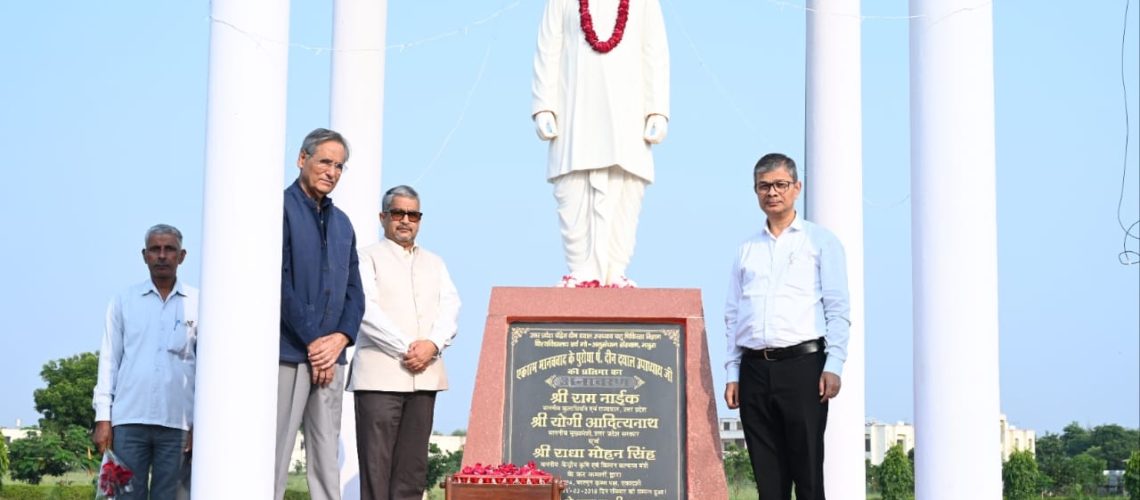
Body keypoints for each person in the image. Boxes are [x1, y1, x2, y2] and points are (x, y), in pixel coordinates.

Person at [723, 153, 851, 500]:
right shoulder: (747, 250)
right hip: (753, 369)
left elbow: (838, 308)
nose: (772, 192)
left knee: (807, 472)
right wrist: (733, 372)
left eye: (780, 185)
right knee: (768, 477)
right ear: (755, 191)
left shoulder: (820, 242)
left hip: (803, 367)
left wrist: (834, 364)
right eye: (764, 186)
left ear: (797, 188)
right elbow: (734, 316)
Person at [531, 0, 670, 287]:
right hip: (574, 110)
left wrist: (658, 109)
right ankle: (582, 268)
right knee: (573, 184)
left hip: (628, 114)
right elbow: (548, 50)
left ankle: (615, 267)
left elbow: (655, 53)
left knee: (626, 185)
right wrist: (544, 105)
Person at [348, 185, 460, 500]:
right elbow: (365, 310)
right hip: (379, 377)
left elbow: (450, 307)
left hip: (424, 376)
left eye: (413, 214)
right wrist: (409, 348)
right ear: (383, 217)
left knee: (412, 472)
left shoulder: (435, 262)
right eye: (398, 213)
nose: (405, 220)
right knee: (376, 470)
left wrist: (433, 345)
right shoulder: (365, 257)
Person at [276, 128, 365, 500]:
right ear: (302, 159)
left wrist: (340, 339)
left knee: (328, 456)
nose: (332, 171)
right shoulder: (278, 208)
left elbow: (355, 292)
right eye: (325, 161)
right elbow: (278, 282)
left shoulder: (343, 223)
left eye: (339, 166)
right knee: (276, 453)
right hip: (290, 354)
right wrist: (315, 342)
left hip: (332, 357)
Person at [92, 224, 197, 500]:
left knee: (172, 497)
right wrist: (103, 417)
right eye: (155, 249)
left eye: (169, 249)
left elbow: (208, 370)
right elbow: (109, 361)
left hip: (178, 425)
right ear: (144, 255)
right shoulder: (123, 302)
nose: (162, 255)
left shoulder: (199, 304)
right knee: (123, 496)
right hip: (128, 421)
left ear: (182, 256)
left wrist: (201, 422)